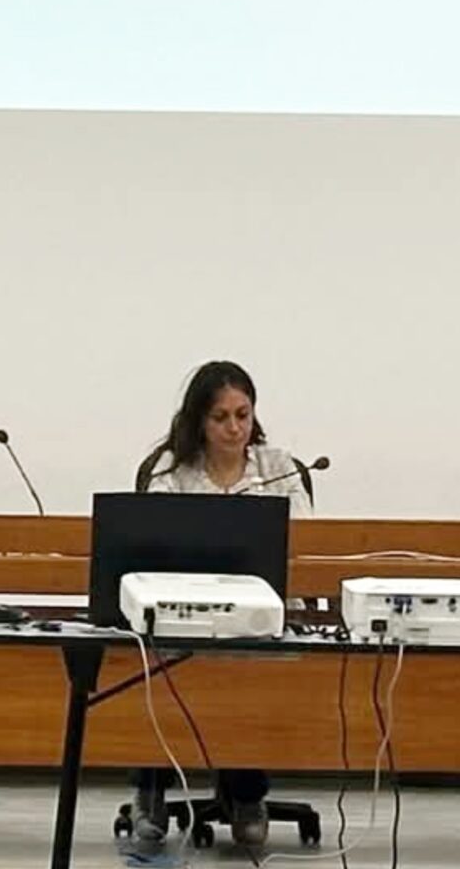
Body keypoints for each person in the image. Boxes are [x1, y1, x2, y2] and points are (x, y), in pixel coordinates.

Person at [131, 360, 311, 851]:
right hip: (186, 616)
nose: (234, 428)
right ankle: (150, 794)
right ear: (199, 421)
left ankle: (247, 796)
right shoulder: (171, 470)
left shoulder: (279, 467)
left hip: (261, 617)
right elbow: (152, 543)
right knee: (156, 668)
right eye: (221, 417)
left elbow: (304, 539)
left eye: (243, 415)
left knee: (251, 675)